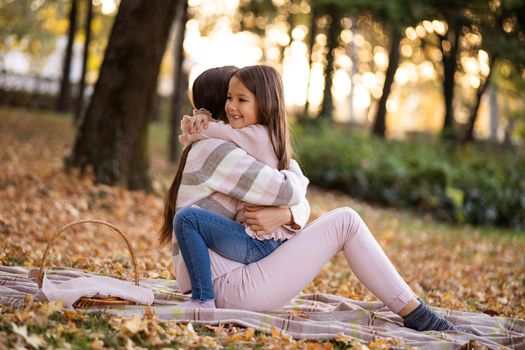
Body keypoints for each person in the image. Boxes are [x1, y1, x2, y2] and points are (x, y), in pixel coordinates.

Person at [160, 65, 456, 332]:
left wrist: (288, 215)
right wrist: (292, 198)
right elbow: (288, 189)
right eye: (229, 97)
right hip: (230, 286)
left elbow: (288, 197)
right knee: (347, 222)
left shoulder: (225, 148)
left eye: (241, 98)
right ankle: (416, 312)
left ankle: (414, 310)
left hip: (234, 277)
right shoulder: (217, 151)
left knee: (345, 221)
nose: (233, 105)